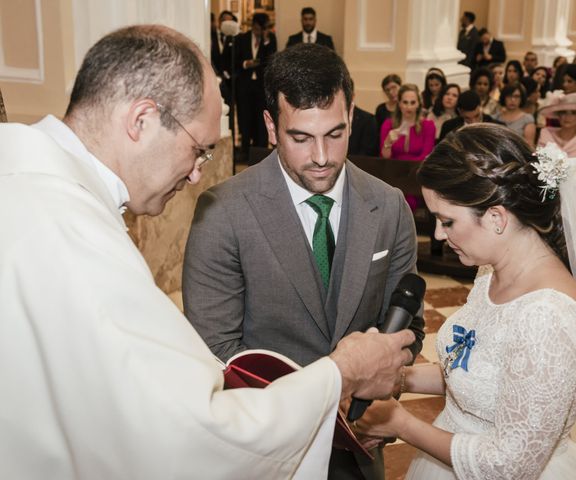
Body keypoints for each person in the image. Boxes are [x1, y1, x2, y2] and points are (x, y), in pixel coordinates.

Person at [0, 25, 417, 479]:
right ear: (141, 120)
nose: (198, 174)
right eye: (199, 150)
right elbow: (192, 429)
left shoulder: (33, 187)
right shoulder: (68, 231)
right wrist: (342, 374)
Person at [182, 43, 425, 480]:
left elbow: (409, 327)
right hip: (266, 453)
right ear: (272, 127)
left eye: (335, 133)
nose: (321, 156)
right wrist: (329, 398)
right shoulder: (223, 212)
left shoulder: (389, 207)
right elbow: (215, 354)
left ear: (352, 114)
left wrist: (377, 403)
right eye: (301, 137)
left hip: (361, 450)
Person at [357, 124, 576, 480]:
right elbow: (476, 373)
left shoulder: (549, 318)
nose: (439, 234)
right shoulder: (490, 273)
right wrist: (399, 377)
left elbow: (508, 466)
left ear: (496, 217)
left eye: (447, 221)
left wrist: (400, 423)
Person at [234, 12, 277, 162]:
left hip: (261, 87)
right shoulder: (242, 39)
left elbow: (272, 60)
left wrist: (265, 41)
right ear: (253, 26)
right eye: (258, 28)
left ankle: (261, 152)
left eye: (263, 29)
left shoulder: (270, 40)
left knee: (261, 121)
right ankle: (245, 152)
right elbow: (235, 60)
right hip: (245, 86)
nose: (259, 32)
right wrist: (246, 64)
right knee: (245, 119)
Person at [380, 83, 436, 160]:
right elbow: (385, 158)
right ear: (399, 103)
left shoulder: (428, 126)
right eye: (405, 102)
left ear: (418, 104)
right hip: (393, 169)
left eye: (413, 103)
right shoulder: (388, 124)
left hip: (418, 169)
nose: (408, 107)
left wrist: (406, 167)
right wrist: (388, 143)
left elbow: (426, 156)